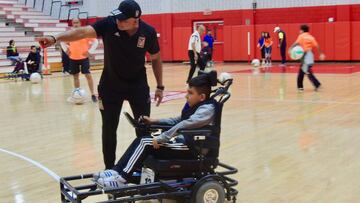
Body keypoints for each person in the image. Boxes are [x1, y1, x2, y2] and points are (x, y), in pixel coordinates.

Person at [36, 0, 164, 169]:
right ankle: (109, 170)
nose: (118, 21)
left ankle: (144, 168)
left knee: (143, 129)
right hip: (110, 86)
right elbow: (82, 32)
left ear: (135, 20)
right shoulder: (109, 24)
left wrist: (160, 86)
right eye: (117, 17)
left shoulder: (148, 32)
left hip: (137, 86)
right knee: (109, 129)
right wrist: (55, 38)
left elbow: (156, 59)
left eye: (123, 19)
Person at [93, 72, 219, 188]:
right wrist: (154, 121)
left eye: (190, 93)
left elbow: (185, 124)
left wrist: (162, 138)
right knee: (141, 139)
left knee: (146, 142)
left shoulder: (207, 109)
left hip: (194, 150)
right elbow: (178, 120)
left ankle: (121, 179)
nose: (186, 96)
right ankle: (116, 171)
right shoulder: (197, 106)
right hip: (186, 143)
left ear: (202, 97)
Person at [61, 18, 99, 102]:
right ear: (72, 24)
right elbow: (62, 41)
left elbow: (96, 42)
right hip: (73, 58)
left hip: (84, 58)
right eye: (74, 23)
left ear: (80, 23)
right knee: (75, 76)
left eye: (77, 22)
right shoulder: (69, 34)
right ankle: (77, 93)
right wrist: (66, 50)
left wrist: (89, 52)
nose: (75, 24)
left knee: (88, 75)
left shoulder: (85, 33)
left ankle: (93, 94)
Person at [290, 24, 325, 92]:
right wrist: (321, 54)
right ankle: (313, 85)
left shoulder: (301, 36)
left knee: (305, 71)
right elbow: (317, 45)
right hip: (310, 55)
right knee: (305, 71)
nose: (299, 31)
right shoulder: (311, 37)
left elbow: (296, 43)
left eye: (300, 30)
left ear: (302, 30)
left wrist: (290, 48)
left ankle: (313, 85)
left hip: (305, 55)